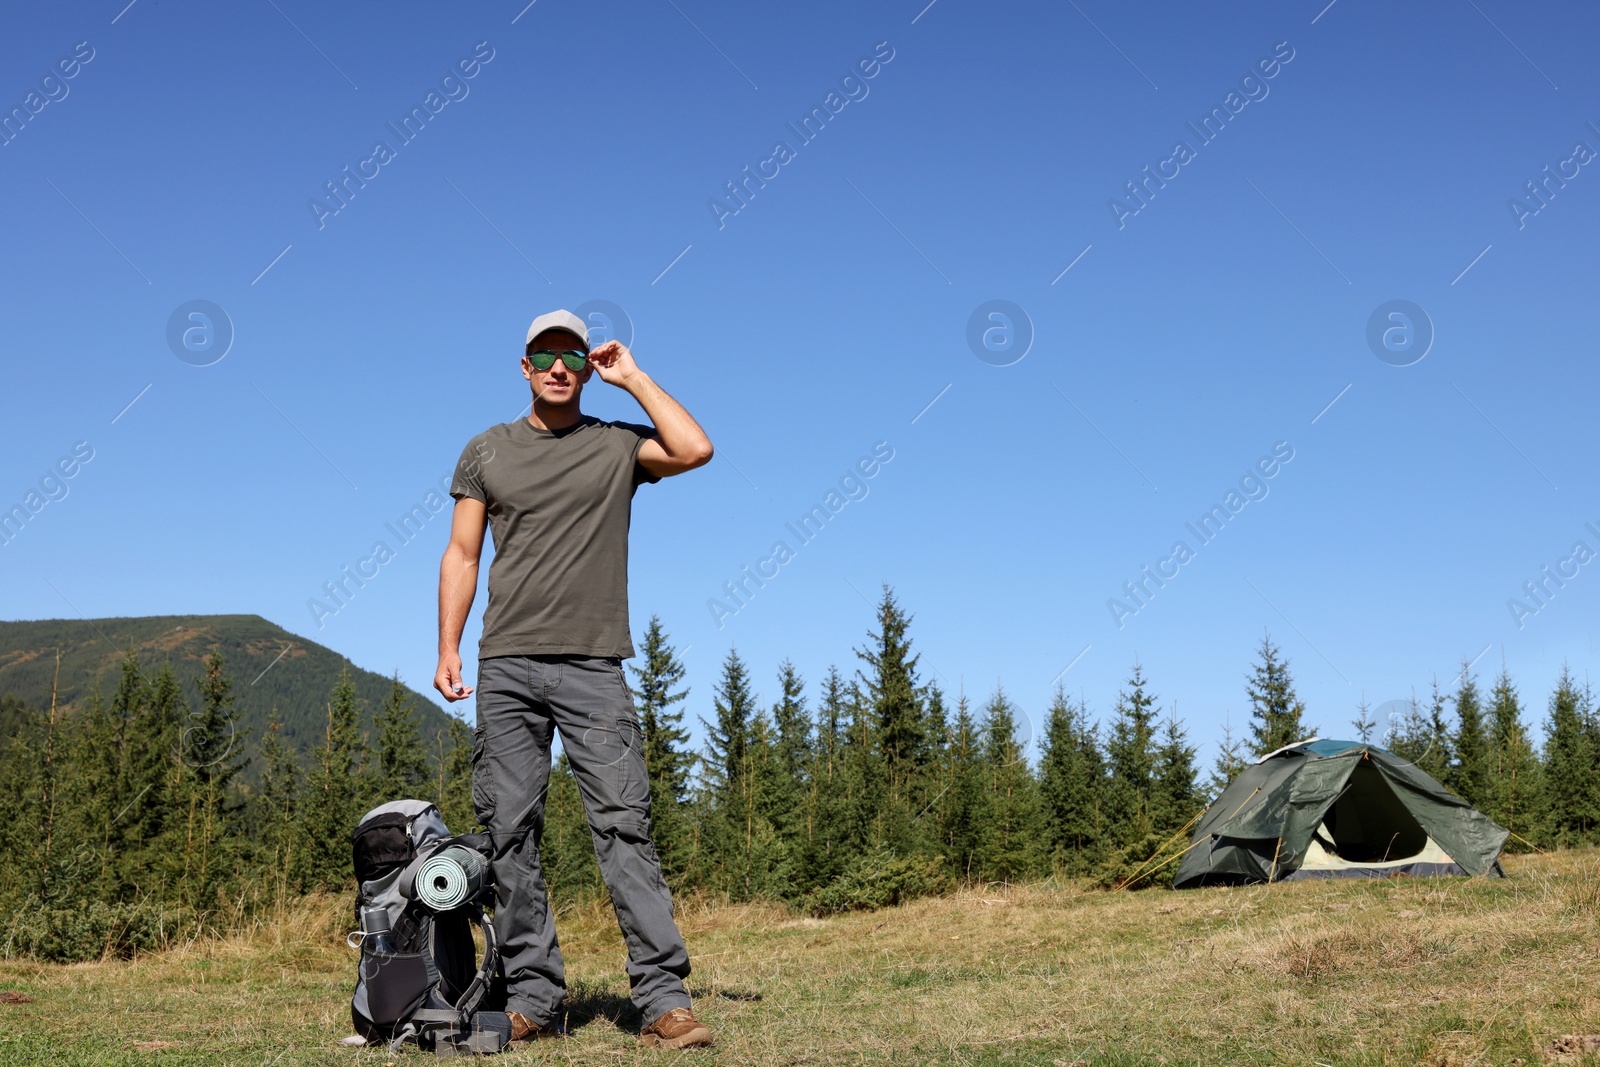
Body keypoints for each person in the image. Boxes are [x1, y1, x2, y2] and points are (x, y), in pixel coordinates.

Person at [434, 309, 715, 1049]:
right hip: (507, 666)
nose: (559, 366)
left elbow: (696, 448)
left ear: (586, 368)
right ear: (523, 366)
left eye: (572, 356)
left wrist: (634, 377)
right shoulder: (486, 450)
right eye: (544, 355)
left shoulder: (616, 445)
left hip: (594, 665)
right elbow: (462, 554)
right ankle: (536, 996)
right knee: (508, 833)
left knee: (624, 825)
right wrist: (448, 646)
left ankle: (662, 999)